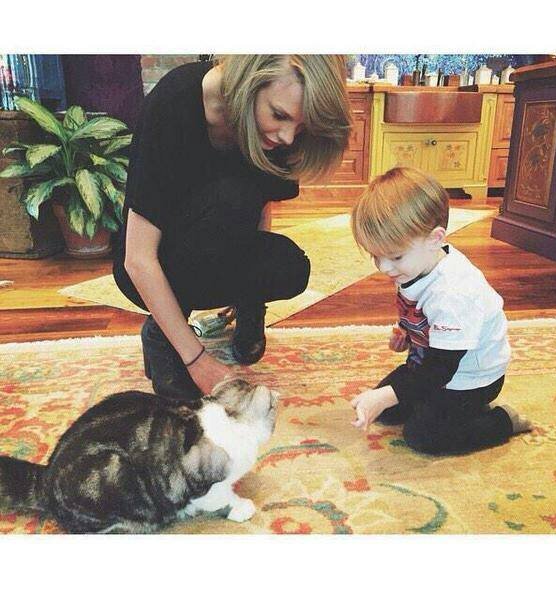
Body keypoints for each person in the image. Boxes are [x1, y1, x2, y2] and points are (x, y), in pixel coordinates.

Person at [113, 55, 351, 401]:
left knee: (289, 268)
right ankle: (161, 337)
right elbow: (137, 259)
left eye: (300, 127)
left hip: (216, 245)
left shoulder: (277, 130)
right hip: (152, 262)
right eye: (279, 115)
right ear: (249, 81)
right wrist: (196, 360)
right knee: (233, 197)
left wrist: (250, 292)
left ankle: (246, 310)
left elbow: (261, 210)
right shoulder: (173, 102)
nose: (287, 137)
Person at [349, 167, 531, 455]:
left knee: (422, 436)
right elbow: (421, 316)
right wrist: (407, 336)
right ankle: (437, 407)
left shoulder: (453, 293)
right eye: (376, 256)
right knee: (387, 411)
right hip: (430, 362)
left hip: (469, 379)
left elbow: (441, 370)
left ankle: (501, 421)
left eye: (395, 256)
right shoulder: (420, 262)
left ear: (435, 238)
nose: (383, 267)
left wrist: (388, 395)